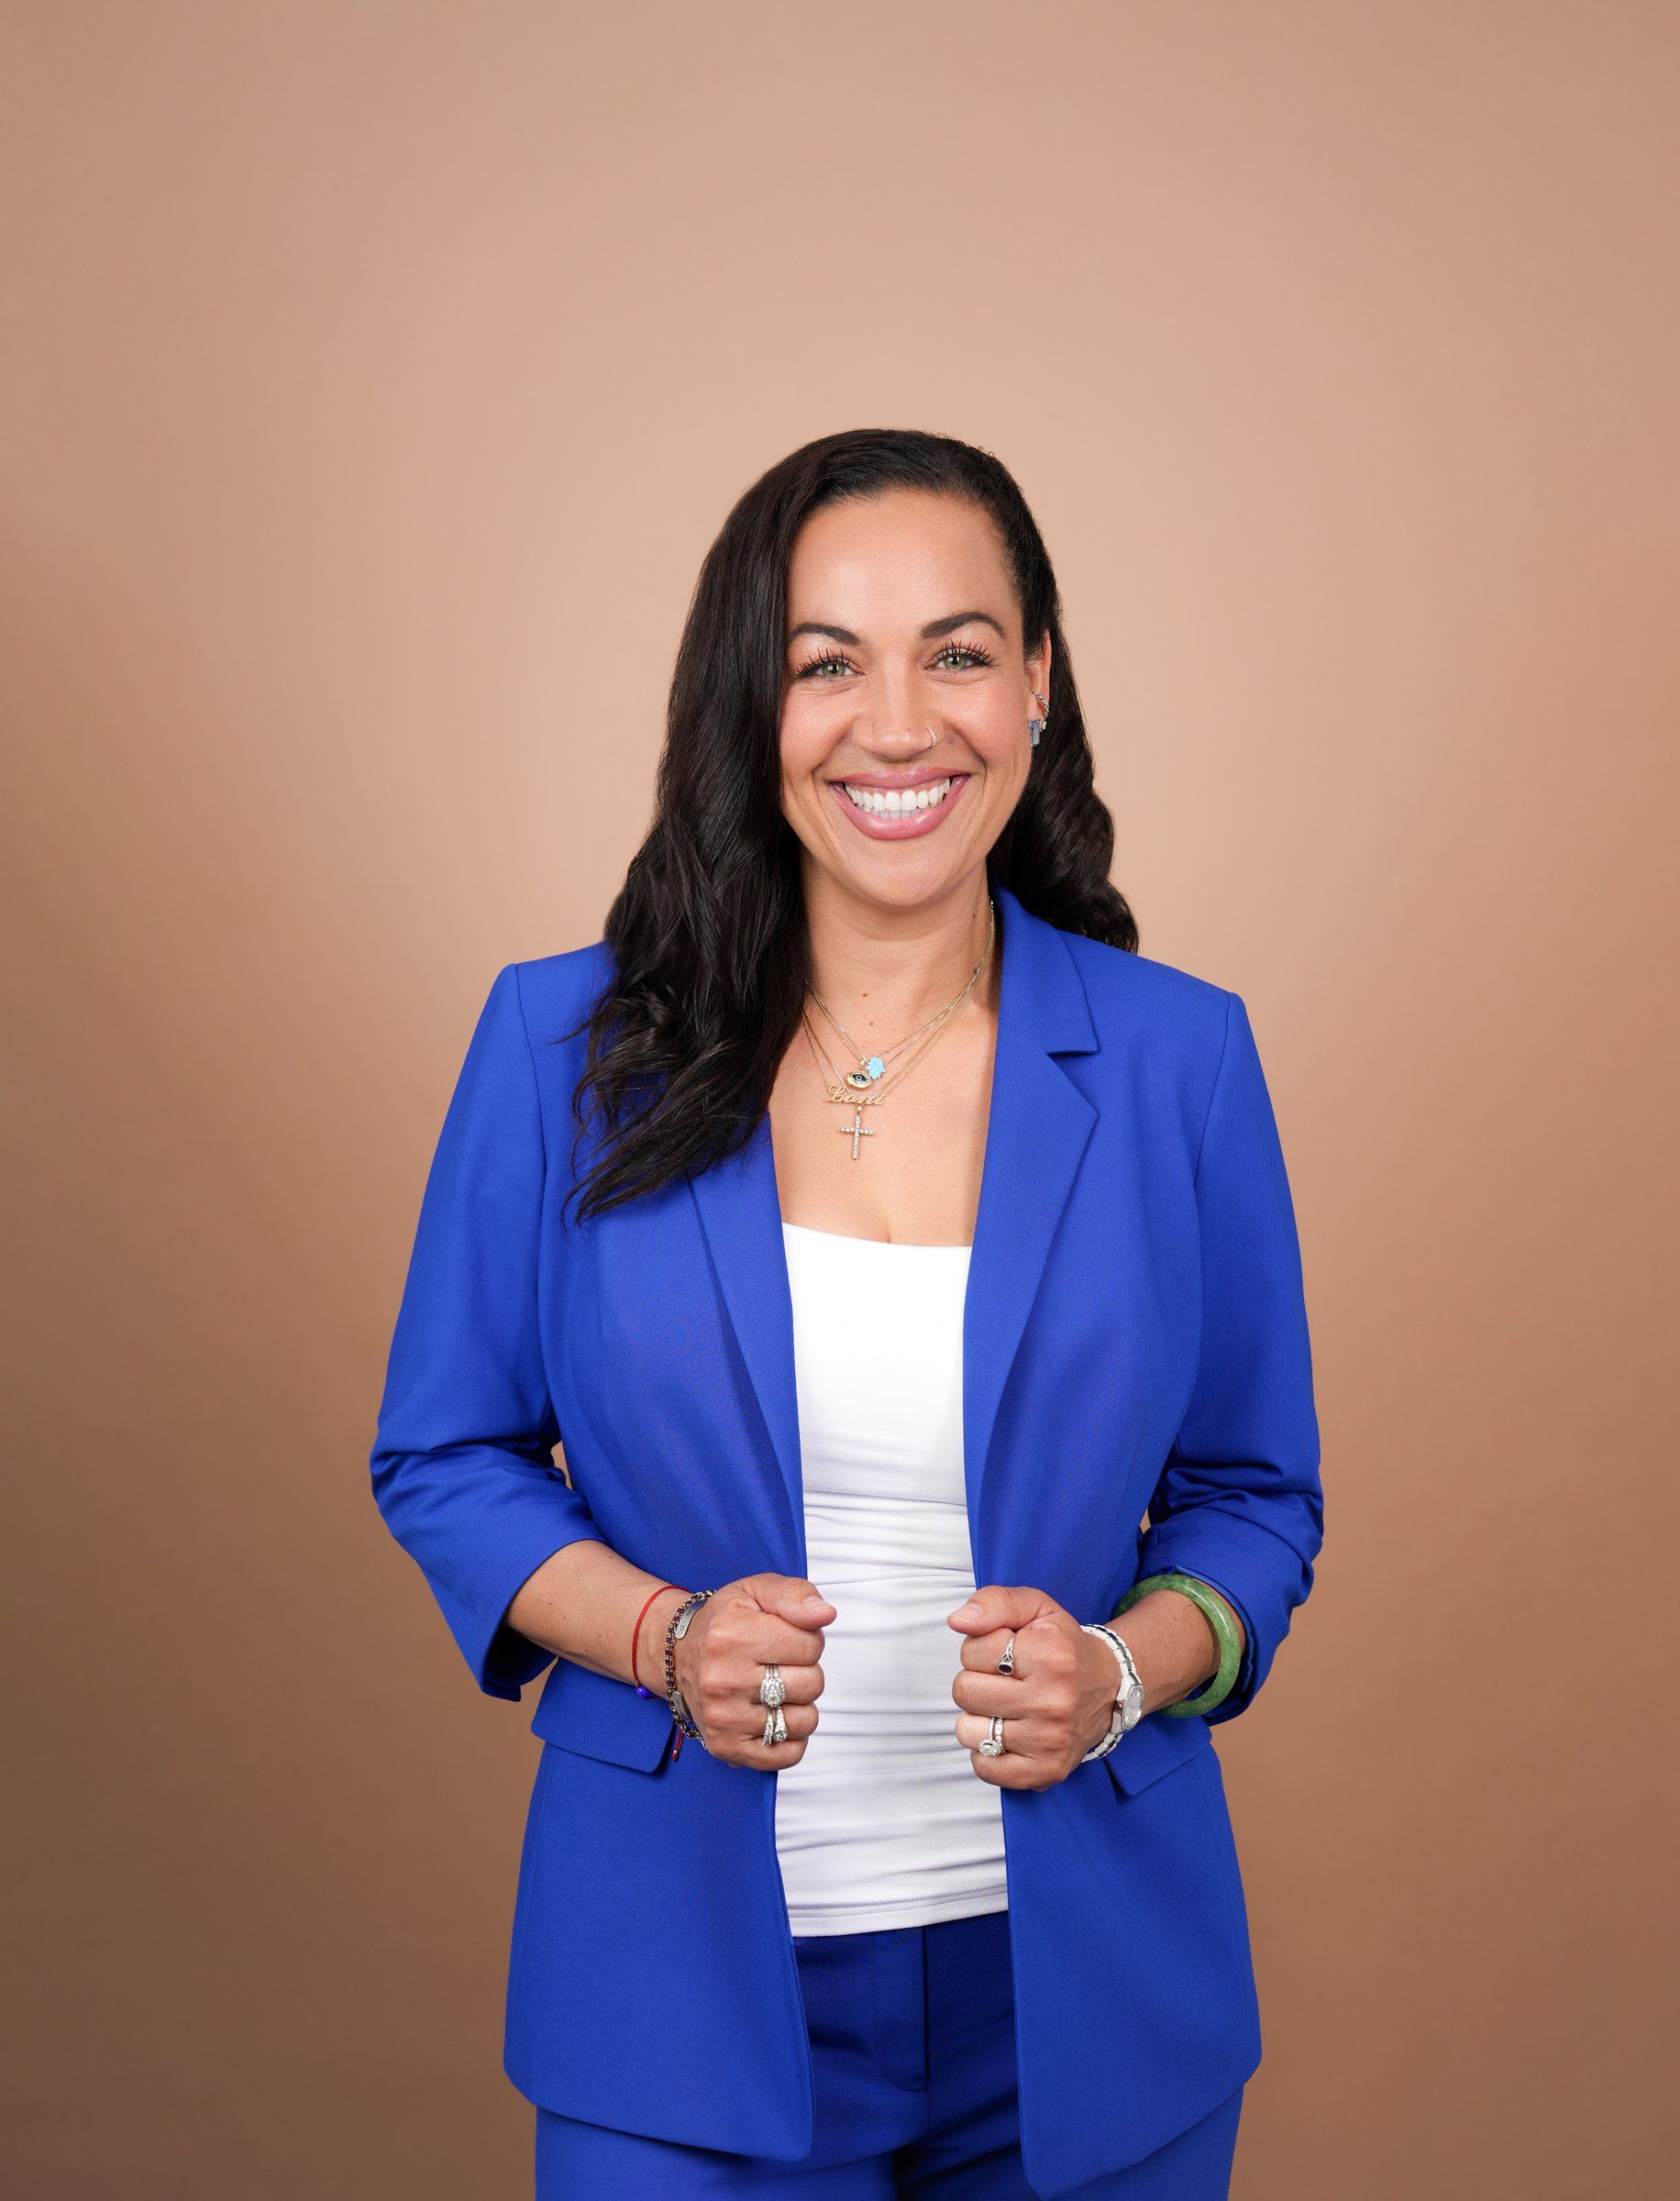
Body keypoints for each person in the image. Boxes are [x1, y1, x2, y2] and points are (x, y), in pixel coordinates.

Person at [369, 427, 1323, 2199]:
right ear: (754, 705)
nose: (900, 723)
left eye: (959, 652)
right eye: (829, 664)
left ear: (1036, 685)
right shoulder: (559, 1050)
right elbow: (443, 1453)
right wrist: (663, 1636)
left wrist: (1122, 1672)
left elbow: (1256, 1503)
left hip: (1092, 2010)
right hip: (671, 1990)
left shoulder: (1183, 1059)